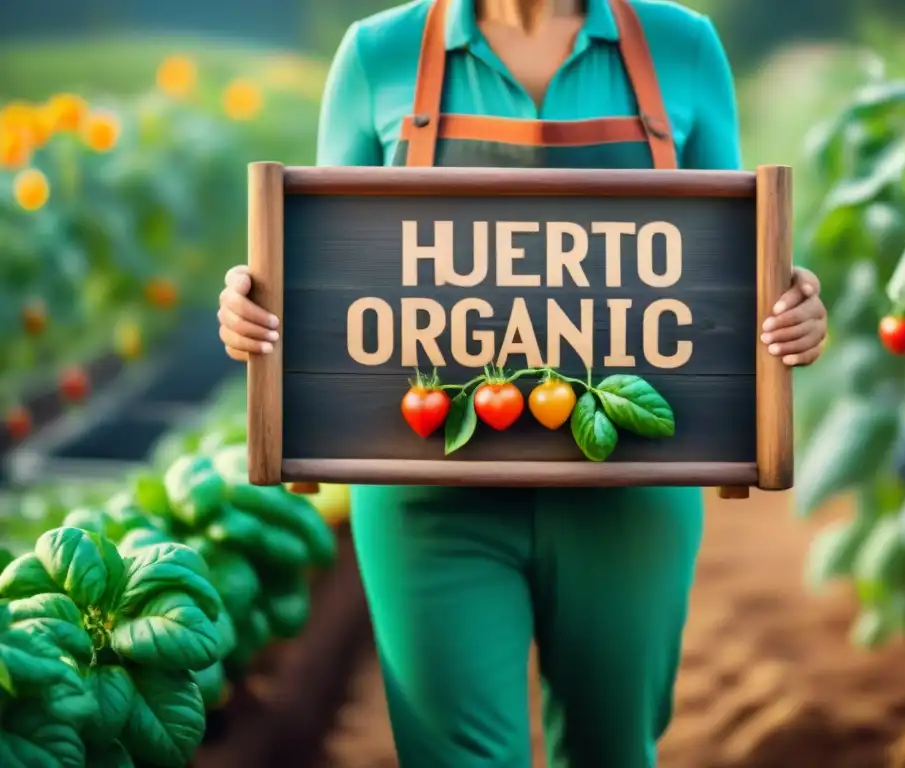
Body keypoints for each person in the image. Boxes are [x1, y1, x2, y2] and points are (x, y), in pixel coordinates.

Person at [218, 0, 828, 765]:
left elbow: (732, 260)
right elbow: (325, 255)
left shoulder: (684, 46)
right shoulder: (379, 52)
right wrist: (258, 302)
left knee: (613, 749)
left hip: (630, 487)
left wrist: (790, 308)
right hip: (426, 491)